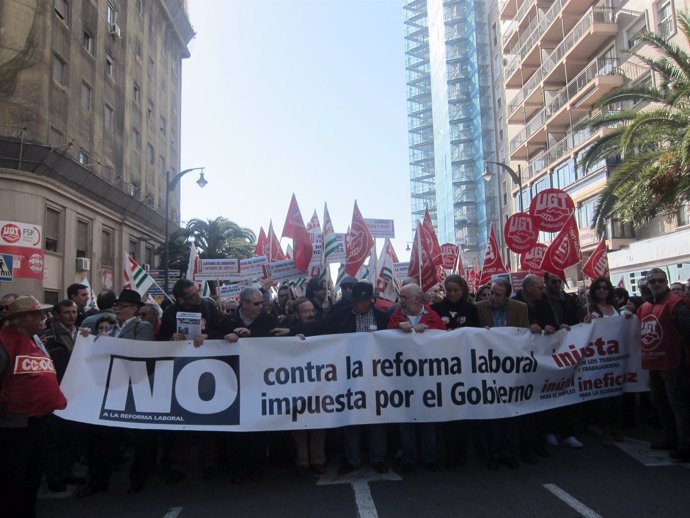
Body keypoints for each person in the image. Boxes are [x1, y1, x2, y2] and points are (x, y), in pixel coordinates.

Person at [282, 282, 391, 475]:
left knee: (377, 418)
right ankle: (352, 459)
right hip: (348, 374)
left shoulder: (382, 318)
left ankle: (378, 458)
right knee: (350, 417)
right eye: (354, 302)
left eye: (361, 302)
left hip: (375, 374)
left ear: (369, 301)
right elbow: (321, 325)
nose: (357, 305)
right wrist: (292, 331)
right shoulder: (343, 315)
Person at [78, 289, 155, 497]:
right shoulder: (110, 329)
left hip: (134, 387)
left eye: (123, 306)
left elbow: (142, 351)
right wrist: (89, 338)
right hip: (111, 388)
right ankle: (99, 481)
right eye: (117, 306)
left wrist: (109, 344)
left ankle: (138, 480)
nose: (118, 309)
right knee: (105, 438)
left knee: (140, 437)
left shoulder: (143, 327)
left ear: (135, 309)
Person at [0, 296, 67, 518]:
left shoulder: (34, 340)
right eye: (38, 314)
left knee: (31, 479)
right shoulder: (4, 343)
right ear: (22, 319)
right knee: (13, 482)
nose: (44, 317)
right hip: (15, 426)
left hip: (39, 422)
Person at [388, 283, 446, 472]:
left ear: (418, 299)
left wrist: (429, 328)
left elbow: (444, 337)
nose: (401, 301)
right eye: (401, 297)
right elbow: (385, 341)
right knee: (406, 418)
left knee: (427, 418)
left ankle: (429, 457)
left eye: (405, 297)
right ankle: (409, 457)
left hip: (427, 377)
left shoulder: (432, 316)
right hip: (404, 377)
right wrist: (396, 327)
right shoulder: (396, 316)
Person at [224, 287, 279, 483]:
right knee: (237, 426)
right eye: (256, 304)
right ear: (244, 303)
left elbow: (275, 339)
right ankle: (237, 468)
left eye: (262, 303)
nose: (260, 307)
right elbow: (216, 334)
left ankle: (257, 467)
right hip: (234, 379)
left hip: (259, 379)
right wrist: (226, 337)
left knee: (257, 426)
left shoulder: (268, 319)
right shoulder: (229, 319)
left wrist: (251, 334)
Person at [637, 268, 690, 462]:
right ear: (648, 284)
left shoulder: (676, 304)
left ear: (666, 282)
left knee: (679, 406)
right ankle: (671, 438)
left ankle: (685, 445)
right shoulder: (644, 307)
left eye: (660, 280)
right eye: (653, 281)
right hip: (654, 363)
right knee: (661, 404)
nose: (657, 284)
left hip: (674, 364)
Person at [475, 279, 529, 469]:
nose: (493, 297)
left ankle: (510, 453)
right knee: (493, 415)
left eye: (498, 294)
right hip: (488, 369)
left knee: (512, 414)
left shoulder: (520, 308)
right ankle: (494, 453)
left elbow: (525, 333)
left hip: (512, 367)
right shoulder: (479, 308)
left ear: (507, 296)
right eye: (491, 293)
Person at [432, 275, 480, 468]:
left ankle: (462, 451)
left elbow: (476, 334)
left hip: (465, 366)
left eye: (456, 290)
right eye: (449, 290)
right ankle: (449, 452)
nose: (452, 294)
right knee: (447, 412)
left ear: (462, 290)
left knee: (464, 410)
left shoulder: (471, 309)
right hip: (443, 367)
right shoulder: (436, 309)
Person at [43, 300, 82, 492]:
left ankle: (68, 471)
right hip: (56, 390)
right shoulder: (48, 337)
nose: (71, 315)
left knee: (72, 436)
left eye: (74, 311)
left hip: (75, 392)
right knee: (54, 438)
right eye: (67, 312)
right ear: (57, 315)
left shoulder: (81, 333)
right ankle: (55, 476)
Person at [289, 297, 327, 476]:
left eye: (312, 310)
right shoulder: (286, 331)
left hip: (319, 381)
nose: (310, 314)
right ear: (296, 314)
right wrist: (291, 337)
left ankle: (318, 459)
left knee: (318, 420)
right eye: (306, 311)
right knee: (299, 422)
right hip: (296, 383)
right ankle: (302, 460)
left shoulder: (320, 326)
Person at [159, 279, 229, 346]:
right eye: (193, 296)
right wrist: (171, 339)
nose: (198, 296)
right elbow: (161, 338)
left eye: (198, 292)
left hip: (207, 352)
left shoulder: (209, 306)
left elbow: (221, 330)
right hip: (181, 354)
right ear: (181, 300)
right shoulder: (170, 312)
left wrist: (207, 335)